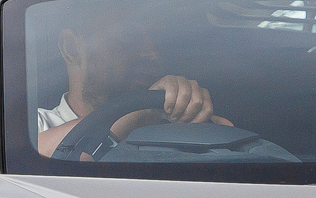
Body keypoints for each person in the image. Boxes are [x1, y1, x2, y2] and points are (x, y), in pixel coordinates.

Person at [35, 11, 227, 158]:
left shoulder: (173, 131)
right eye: (129, 37)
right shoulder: (33, 126)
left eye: (158, 42)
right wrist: (142, 111)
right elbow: (32, 161)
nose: (153, 54)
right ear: (71, 48)